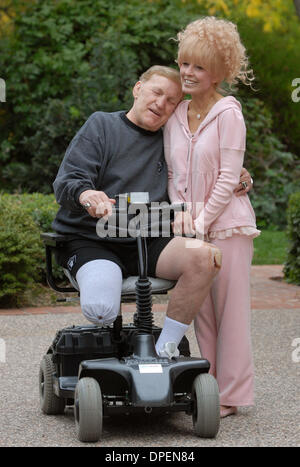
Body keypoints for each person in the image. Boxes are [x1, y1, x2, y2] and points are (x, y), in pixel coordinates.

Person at [52, 65, 250, 360]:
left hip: (149, 239)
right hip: (92, 239)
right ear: (137, 89)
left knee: (207, 256)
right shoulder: (102, 125)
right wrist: (87, 194)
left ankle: (163, 352)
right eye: (157, 92)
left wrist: (242, 176)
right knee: (102, 308)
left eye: (172, 101)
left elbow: (211, 165)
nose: (162, 104)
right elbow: (67, 181)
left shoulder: (173, 139)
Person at [164, 18, 260, 416]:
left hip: (227, 225)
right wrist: (182, 216)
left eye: (199, 67)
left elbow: (226, 176)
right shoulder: (175, 114)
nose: (187, 72)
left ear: (219, 72)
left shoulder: (229, 114)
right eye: (185, 63)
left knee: (230, 312)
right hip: (191, 227)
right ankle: (210, 388)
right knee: (200, 311)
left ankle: (232, 395)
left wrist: (201, 222)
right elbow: (172, 174)